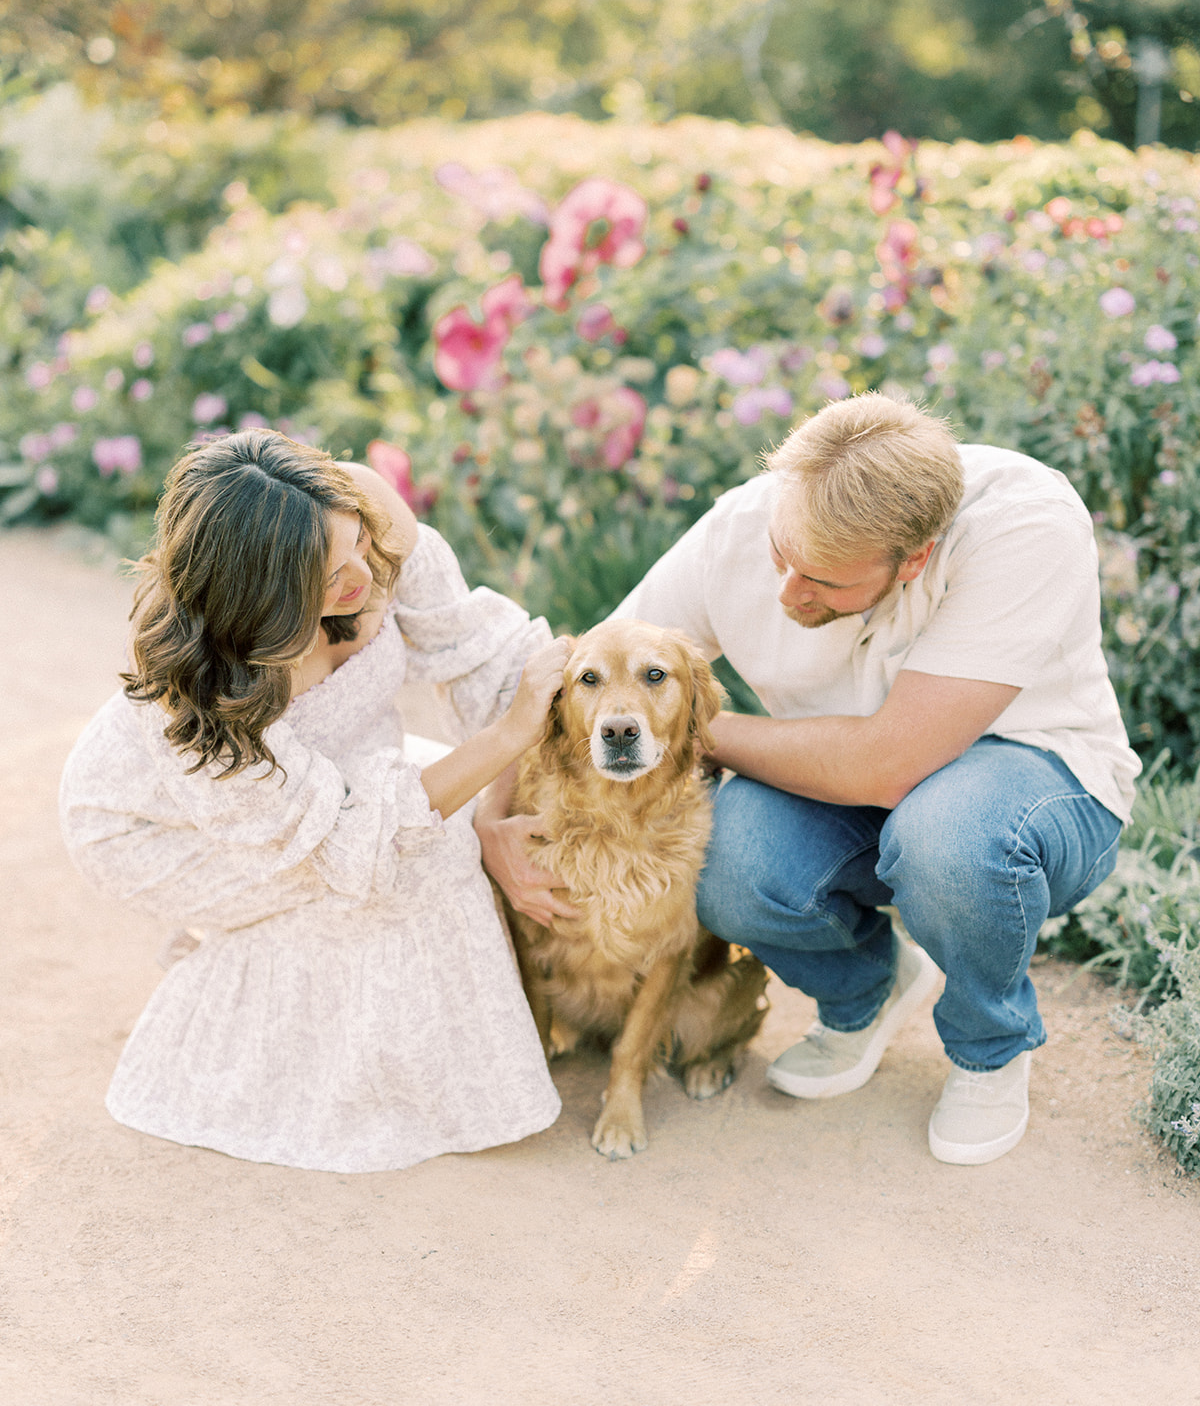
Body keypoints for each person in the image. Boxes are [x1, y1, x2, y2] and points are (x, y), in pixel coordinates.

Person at [479, 392, 1140, 1165]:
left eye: (821, 581)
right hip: (842, 788)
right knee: (726, 864)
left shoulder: (1026, 525)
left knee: (946, 836)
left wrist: (690, 728)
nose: (789, 591)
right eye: (781, 555)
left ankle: (990, 1049)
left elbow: (890, 764)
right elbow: (578, 677)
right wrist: (495, 827)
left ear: (914, 559)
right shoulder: (739, 528)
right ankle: (865, 993)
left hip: (1030, 783)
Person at [60, 428, 569, 1173]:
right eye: (330, 577)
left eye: (358, 542)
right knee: (402, 869)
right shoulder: (204, 702)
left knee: (443, 822)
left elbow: (474, 652)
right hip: (157, 830)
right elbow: (358, 837)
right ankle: (333, 1084)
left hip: (338, 763)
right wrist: (509, 736)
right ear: (261, 602)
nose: (365, 575)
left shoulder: (358, 513)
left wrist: (535, 742)